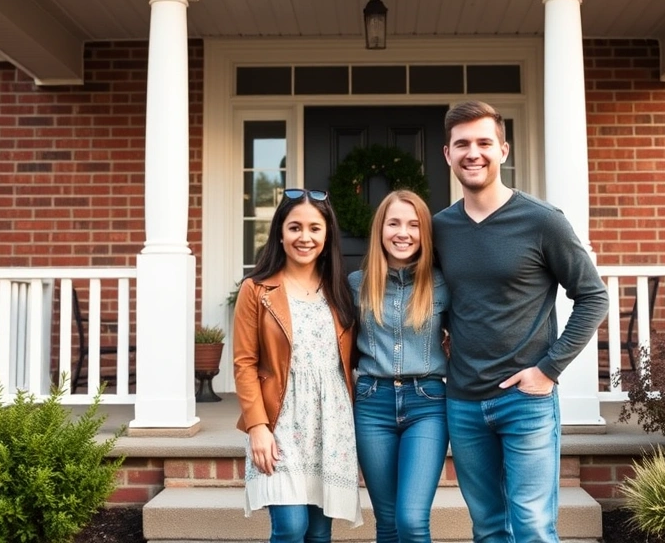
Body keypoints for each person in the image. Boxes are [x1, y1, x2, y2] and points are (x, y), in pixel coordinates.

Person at [432, 101, 609, 543]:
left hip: (525, 400)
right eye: (462, 144)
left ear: (503, 150)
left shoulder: (542, 220)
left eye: (484, 142)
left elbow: (593, 296)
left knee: (531, 527)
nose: (473, 153)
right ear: (447, 155)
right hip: (464, 401)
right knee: (489, 527)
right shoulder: (439, 229)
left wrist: (549, 370)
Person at [232, 188, 363, 542]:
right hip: (281, 421)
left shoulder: (340, 290)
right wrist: (257, 426)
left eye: (314, 228)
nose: (304, 237)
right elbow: (244, 364)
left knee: (320, 534)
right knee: (290, 528)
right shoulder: (256, 290)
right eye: (295, 228)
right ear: (280, 232)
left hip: (331, 423)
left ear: (327, 234)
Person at [348, 190, 450, 543]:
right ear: (380, 229)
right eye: (394, 223)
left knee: (411, 520)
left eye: (413, 224)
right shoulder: (356, 285)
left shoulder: (442, 283)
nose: (402, 232)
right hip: (371, 404)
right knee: (388, 522)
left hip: (428, 404)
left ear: (425, 233)